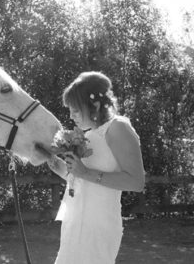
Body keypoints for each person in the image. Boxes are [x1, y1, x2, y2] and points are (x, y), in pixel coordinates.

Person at [47, 71, 145, 264]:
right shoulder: (89, 135)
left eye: (75, 110)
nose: (71, 115)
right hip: (75, 222)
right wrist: (51, 161)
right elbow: (77, 178)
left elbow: (136, 182)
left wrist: (85, 172)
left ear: (96, 105)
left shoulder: (118, 128)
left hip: (99, 226)